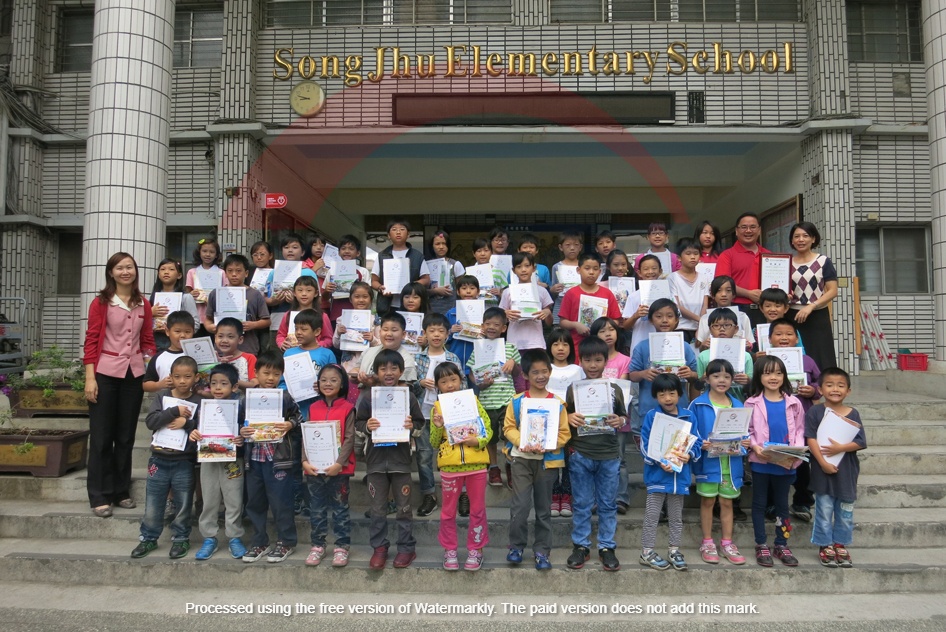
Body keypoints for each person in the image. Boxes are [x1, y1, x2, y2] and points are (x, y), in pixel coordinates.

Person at [83, 252, 156, 518]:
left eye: (130, 267)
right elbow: (91, 341)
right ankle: (99, 496)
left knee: (125, 436)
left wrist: (151, 363)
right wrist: (90, 378)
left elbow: (147, 339)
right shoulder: (101, 303)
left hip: (133, 374)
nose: (126, 271)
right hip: (104, 372)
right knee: (102, 437)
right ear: (111, 272)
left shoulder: (143, 304)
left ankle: (121, 491)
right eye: (120, 267)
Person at [356, 349, 425, 570]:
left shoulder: (409, 396)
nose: (388, 372)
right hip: (375, 462)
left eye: (393, 368)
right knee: (377, 509)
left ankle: (406, 548)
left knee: (404, 508)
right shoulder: (368, 397)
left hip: (400, 461)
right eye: (383, 368)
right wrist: (367, 426)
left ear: (401, 371)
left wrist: (411, 426)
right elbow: (358, 424)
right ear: (375, 372)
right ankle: (379, 547)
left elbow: (420, 424)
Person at [502, 350, 570, 571]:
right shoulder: (518, 401)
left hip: (546, 462)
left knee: (543, 509)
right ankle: (516, 546)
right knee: (519, 508)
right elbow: (508, 428)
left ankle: (542, 550)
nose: (540, 376)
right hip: (521, 460)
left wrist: (549, 444)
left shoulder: (558, 403)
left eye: (544, 371)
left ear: (550, 373)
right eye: (535, 372)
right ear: (526, 376)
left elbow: (564, 433)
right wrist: (521, 441)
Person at [564, 337, 627, 572]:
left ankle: (606, 546)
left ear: (605, 361)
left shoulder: (615, 388)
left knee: (608, 504)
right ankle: (581, 545)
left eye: (598, 360)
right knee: (581, 503)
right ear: (580, 361)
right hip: (581, 453)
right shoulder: (574, 389)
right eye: (587, 360)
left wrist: (620, 420)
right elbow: (565, 418)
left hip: (609, 455)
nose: (592, 365)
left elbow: (623, 417)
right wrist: (568, 418)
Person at [131, 356, 201, 559]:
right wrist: (173, 411)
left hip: (184, 461)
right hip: (159, 460)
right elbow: (151, 422)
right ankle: (148, 538)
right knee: (154, 501)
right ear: (170, 377)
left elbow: (202, 429)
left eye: (187, 377)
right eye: (177, 376)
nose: (182, 381)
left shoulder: (198, 401)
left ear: (196, 378)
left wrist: (186, 423)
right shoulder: (162, 397)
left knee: (184, 501)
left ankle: (181, 538)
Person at [239, 351, 304, 563]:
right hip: (254, 460)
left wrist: (289, 424)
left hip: (278, 460)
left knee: (281, 502)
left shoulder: (284, 397)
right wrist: (241, 431)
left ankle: (286, 541)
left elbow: (299, 417)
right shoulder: (245, 399)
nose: (270, 378)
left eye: (276, 374)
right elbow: (235, 424)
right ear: (255, 372)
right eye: (266, 373)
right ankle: (260, 542)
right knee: (254, 503)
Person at [430, 362, 492, 571]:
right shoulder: (437, 408)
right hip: (450, 467)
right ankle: (450, 549)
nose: (450, 385)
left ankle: (476, 549)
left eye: (453, 379)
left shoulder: (473, 401)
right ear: (438, 386)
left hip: (476, 464)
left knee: (477, 510)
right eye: (444, 382)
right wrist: (439, 427)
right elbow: (433, 441)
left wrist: (479, 442)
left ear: (461, 380)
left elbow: (488, 429)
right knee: (448, 512)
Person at [745, 355, 805, 568]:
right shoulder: (751, 402)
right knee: (759, 504)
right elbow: (748, 431)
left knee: (782, 505)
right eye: (768, 373)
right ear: (759, 376)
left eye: (779, 373)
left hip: (786, 463)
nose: (774, 377)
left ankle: (782, 543)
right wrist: (755, 446)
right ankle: (761, 544)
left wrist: (795, 452)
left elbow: (799, 431)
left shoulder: (794, 402)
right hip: (761, 462)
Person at [689, 359, 750, 566]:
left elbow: (744, 433)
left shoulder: (738, 405)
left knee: (726, 502)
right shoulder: (698, 404)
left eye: (726, 376)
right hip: (708, 463)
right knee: (707, 501)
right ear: (707, 378)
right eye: (716, 376)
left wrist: (746, 441)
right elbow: (690, 432)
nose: (721, 380)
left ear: (733, 380)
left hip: (731, 465)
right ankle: (707, 542)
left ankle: (727, 543)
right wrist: (700, 444)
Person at [805, 367, 866, 568]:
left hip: (847, 472)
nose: (835, 389)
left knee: (846, 511)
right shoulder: (815, 411)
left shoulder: (853, 413)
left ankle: (841, 544)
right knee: (824, 509)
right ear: (820, 389)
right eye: (829, 385)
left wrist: (841, 448)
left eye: (841, 385)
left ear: (848, 390)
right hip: (823, 470)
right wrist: (823, 462)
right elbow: (810, 438)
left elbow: (860, 441)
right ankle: (824, 545)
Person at [639, 373, 698, 571]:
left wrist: (688, 456)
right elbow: (645, 444)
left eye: (672, 393)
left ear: (679, 394)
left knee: (676, 516)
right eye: (662, 394)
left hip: (679, 478)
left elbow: (695, 442)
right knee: (652, 515)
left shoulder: (689, 416)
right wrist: (659, 460)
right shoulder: (651, 416)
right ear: (656, 396)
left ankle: (674, 549)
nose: (667, 398)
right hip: (657, 476)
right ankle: (646, 552)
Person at [190, 363, 248, 561]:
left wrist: (241, 439)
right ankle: (209, 537)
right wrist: (195, 433)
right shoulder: (203, 407)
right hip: (209, 459)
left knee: (234, 499)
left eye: (223, 383)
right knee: (209, 498)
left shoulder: (240, 408)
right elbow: (194, 429)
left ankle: (234, 537)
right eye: (214, 383)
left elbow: (246, 432)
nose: (217, 388)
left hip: (233, 460)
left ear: (234, 387)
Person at [767, 318, 822, 523]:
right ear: (770, 338)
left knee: (801, 463)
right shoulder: (764, 361)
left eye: (789, 334)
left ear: (797, 337)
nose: (784, 338)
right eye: (778, 334)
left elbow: (820, 383)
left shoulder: (807, 360)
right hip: (774, 420)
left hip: (801, 420)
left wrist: (813, 390)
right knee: (774, 459)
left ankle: (802, 501)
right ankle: (772, 503)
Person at [304, 364, 357, 568]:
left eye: (333, 380)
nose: (328, 383)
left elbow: (350, 439)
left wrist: (338, 463)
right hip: (314, 469)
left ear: (342, 383)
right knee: (316, 508)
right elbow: (306, 435)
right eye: (324, 379)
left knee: (340, 508)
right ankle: (317, 545)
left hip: (339, 470)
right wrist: (304, 462)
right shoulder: (313, 408)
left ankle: (342, 547)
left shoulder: (348, 408)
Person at [414, 313, 466, 517]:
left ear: (447, 334)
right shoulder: (417, 358)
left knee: (456, 453)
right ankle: (429, 495)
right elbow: (408, 387)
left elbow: (463, 385)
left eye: (441, 331)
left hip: (451, 414)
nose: (436, 335)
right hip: (424, 413)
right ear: (424, 333)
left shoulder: (452, 358)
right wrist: (420, 383)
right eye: (431, 330)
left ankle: (462, 494)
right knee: (424, 456)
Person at [467, 307, 522, 487]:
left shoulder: (510, 348)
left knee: (510, 435)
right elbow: (472, 375)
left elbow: (518, 372)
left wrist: (512, 362)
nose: (491, 327)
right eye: (488, 324)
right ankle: (494, 468)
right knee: (490, 438)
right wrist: (480, 382)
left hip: (507, 400)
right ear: (482, 326)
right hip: (487, 401)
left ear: (504, 328)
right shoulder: (478, 349)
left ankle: (510, 465)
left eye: (496, 324)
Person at [629, 299, 699, 429]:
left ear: (677, 320)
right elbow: (632, 375)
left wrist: (690, 374)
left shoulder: (685, 347)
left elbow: (696, 375)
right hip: (650, 407)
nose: (665, 320)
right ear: (650, 320)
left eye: (670, 316)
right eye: (659, 316)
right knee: (651, 444)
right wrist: (643, 374)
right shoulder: (642, 347)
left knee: (677, 447)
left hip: (679, 408)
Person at [789, 221, 839, 370]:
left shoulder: (823, 261)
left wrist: (811, 306)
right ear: (792, 241)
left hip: (817, 315)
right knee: (796, 355)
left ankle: (822, 389)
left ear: (813, 239)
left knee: (822, 356)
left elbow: (832, 290)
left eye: (805, 236)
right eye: (796, 236)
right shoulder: (787, 262)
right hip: (792, 315)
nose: (801, 239)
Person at [546, 327, 583, 517]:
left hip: (571, 423)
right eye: (556, 343)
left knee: (569, 461)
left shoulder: (578, 370)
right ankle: (554, 495)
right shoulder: (545, 370)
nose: (560, 348)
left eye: (565, 343)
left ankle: (566, 496)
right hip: (549, 423)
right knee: (552, 460)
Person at [203, 254, 271, 355]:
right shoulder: (216, 293)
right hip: (222, 350)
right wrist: (210, 327)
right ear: (225, 273)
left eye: (238, 271)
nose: (234, 274)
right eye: (230, 271)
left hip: (248, 348)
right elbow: (208, 319)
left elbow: (267, 321)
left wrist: (253, 324)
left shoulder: (255, 294)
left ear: (246, 273)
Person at [715, 212, 771, 328]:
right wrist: (749, 294)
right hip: (738, 308)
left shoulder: (769, 255)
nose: (748, 231)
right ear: (736, 231)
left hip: (766, 309)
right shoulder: (727, 255)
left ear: (759, 230)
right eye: (744, 227)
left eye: (753, 227)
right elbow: (722, 284)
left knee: (763, 345)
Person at [558, 253, 622, 352]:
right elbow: (562, 322)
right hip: (577, 346)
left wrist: (605, 328)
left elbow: (616, 320)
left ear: (600, 272)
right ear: (578, 270)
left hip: (603, 347)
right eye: (587, 268)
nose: (591, 272)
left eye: (595, 269)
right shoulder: (571, 293)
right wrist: (576, 325)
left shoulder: (607, 293)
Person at [372, 218, 430, 314]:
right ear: (389, 235)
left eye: (402, 229)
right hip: (388, 305)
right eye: (394, 229)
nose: (398, 232)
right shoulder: (382, 256)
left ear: (408, 234)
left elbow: (426, 279)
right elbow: (374, 281)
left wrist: (411, 287)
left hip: (411, 306)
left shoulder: (417, 256)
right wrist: (380, 287)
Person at [696, 308, 753, 403]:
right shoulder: (703, 356)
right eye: (716, 325)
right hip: (710, 402)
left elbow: (751, 388)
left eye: (727, 325)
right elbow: (698, 385)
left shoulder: (746, 356)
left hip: (738, 401)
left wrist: (748, 381)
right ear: (710, 329)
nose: (722, 329)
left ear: (736, 329)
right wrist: (703, 378)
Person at [500, 252, 554, 351]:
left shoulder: (541, 291)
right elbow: (500, 319)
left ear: (534, 268)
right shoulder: (508, 292)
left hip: (536, 342)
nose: (523, 270)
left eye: (527, 266)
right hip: (513, 343)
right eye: (519, 267)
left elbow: (549, 323)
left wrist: (548, 312)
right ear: (513, 270)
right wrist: (505, 314)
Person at [149, 258, 198, 352]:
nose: (166, 272)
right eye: (163, 269)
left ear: (179, 275)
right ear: (158, 274)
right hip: (156, 342)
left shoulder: (186, 297)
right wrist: (150, 313)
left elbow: (195, 323)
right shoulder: (153, 298)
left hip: (179, 345)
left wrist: (178, 332)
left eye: (171, 269)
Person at [695, 276, 755, 351]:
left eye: (728, 290)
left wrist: (748, 345)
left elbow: (750, 343)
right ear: (712, 295)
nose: (723, 294)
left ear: (734, 294)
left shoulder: (743, 317)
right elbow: (700, 346)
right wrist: (703, 345)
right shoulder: (705, 318)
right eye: (719, 291)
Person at [275, 277, 334, 350]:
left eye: (309, 290)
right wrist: (282, 343)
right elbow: (281, 335)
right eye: (300, 290)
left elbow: (328, 339)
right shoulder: (288, 315)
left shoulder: (322, 315)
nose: (304, 294)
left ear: (316, 293)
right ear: (294, 293)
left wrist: (316, 345)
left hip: (314, 354)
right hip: (293, 354)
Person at [143, 311, 195, 393]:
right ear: (167, 331)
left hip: (193, 403)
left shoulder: (197, 355)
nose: (182, 335)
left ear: (193, 332)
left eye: (187, 332)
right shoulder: (159, 358)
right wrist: (159, 385)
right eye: (177, 331)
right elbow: (145, 385)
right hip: (165, 403)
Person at [670, 238, 710, 343]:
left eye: (696, 253)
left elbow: (705, 305)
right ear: (679, 257)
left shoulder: (703, 278)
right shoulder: (672, 278)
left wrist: (701, 327)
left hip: (699, 328)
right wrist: (700, 320)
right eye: (688, 253)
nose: (693, 257)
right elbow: (676, 306)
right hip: (679, 327)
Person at [621, 253, 663, 353]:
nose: (650, 272)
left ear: (660, 271)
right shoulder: (633, 296)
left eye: (654, 268)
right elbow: (626, 326)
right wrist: (636, 315)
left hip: (663, 343)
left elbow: (676, 321)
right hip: (639, 343)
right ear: (639, 272)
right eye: (646, 269)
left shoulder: (668, 293)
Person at [324, 234, 371, 322]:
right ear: (338, 252)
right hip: (337, 315)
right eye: (343, 248)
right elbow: (324, 298)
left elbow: (368, 295)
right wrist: (327, 290)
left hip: (358, 316)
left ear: (358, 253)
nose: (347, 251)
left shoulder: (363, 271)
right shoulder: (332, 271)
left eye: (351, 249)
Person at [185, 237, 226, 335]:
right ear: (199, 252)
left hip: (215, 317)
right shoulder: (192, 272)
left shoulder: (221, 273)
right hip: (196, 316)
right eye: (204, 251)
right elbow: (188, 293)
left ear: (216, 255)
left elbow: (225, 293)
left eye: (212, 252)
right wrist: (192, 294)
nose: (208, 254)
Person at [445, 275, 482, 369]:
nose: (468, 291)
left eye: (472, 288)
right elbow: (442, 337)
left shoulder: (484, 313)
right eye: (464, 288)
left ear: (478, 292)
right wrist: (450, 331)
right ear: (458, 291)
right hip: (455, 358)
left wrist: (484, 333)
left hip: (476, 359)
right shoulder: (451, 313)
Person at [427, 229, 465, 315]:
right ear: (432, 246)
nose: (441, 247)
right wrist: (435, 291)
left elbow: (461, 289)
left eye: (444, 243)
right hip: (432, 310)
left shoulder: (456, 264)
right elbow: (422, 290)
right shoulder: (426, 265)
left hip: (451, 309)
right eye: (437, 244)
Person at [550, 230, 583, 324]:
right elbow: (553, 292)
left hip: (579, 309)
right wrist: (553, 290)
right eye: (568, 245)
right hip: (560, 309)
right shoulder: (556, 267)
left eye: (576, 245)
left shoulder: (584, 266)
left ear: (580, 247)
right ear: (561, 247)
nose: (572, 248)